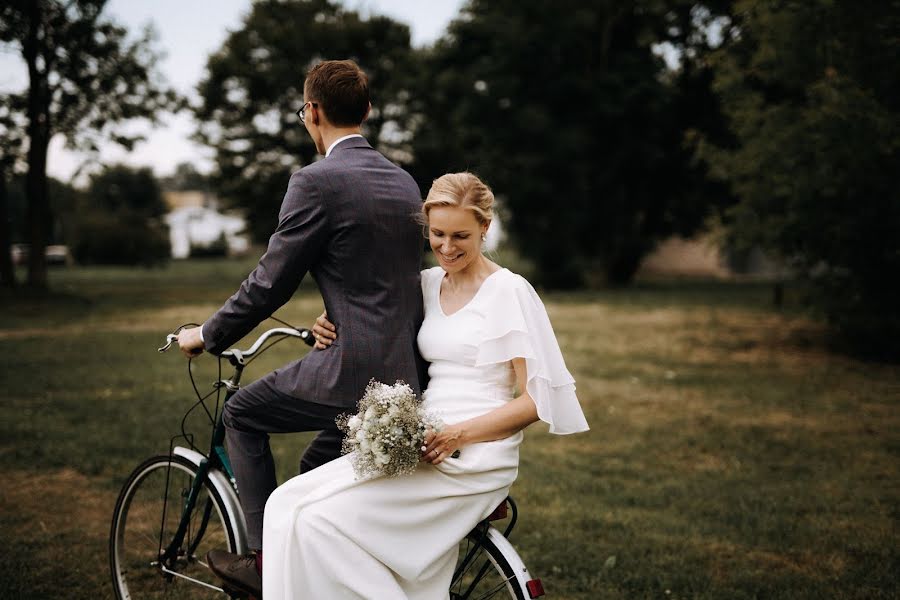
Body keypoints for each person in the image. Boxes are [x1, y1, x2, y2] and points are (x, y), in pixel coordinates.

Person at [263, 172, 589, 599]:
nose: (447, 248)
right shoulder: (427, 283)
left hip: (474, 453)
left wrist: (458, 433)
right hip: (418, 435)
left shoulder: (509, 292)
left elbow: (535, 402)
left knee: (319, 522)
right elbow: (371, 322)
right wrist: (331, 326)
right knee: (285, 504)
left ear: (485, 229)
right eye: (438, 234)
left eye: (461, 236)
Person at [175, 59, 427, 596]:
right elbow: (386, 278)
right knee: (317, 464)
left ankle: (267, 565)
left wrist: (206, 335)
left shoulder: (315, 182)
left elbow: (270, 283)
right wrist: (335, 314)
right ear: (367, 110)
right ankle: (318, 566)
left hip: (352, 371)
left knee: (242, 415)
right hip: (405, 370)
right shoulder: (404, 182)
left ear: (312, 112)